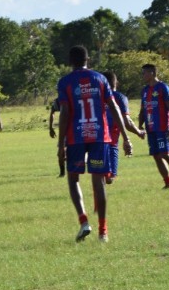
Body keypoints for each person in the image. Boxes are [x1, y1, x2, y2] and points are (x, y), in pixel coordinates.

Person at [56, 46, 131, 242]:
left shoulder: (65, 82)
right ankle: (103, 232)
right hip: (100, 136)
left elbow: (64, 113)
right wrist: (126, 137)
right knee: (99, 183)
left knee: (73, 180)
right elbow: (114, 107)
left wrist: (60, 143)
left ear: (70, 62)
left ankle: (83, 221)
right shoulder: (100, 79)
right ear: (88, 59)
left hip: (76, 138)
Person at [137, 63, 169, 189]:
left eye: (144, 73)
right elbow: (143, 109)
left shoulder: (163, 88)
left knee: (165, 153)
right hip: (150, 128)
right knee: (156, 155)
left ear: (152, 73)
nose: (142, 75)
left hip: (162, 127)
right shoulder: (145, 90)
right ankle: (168, 183)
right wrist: (140, 126)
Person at [103, 71, 143, 184]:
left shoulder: (97, 96)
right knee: (109, 178)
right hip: (111, 142)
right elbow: (127, 122)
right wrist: (138, 132)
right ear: (117, 83)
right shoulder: (120, 97)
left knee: (97, 173)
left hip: (95, 138)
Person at [48, 98, 65, 177]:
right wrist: (51, 128)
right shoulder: (59, 100)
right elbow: (52, 112)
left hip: (76, 129)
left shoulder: (76, 96)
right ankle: (62, 173)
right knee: (60, 154)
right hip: (64, 130)